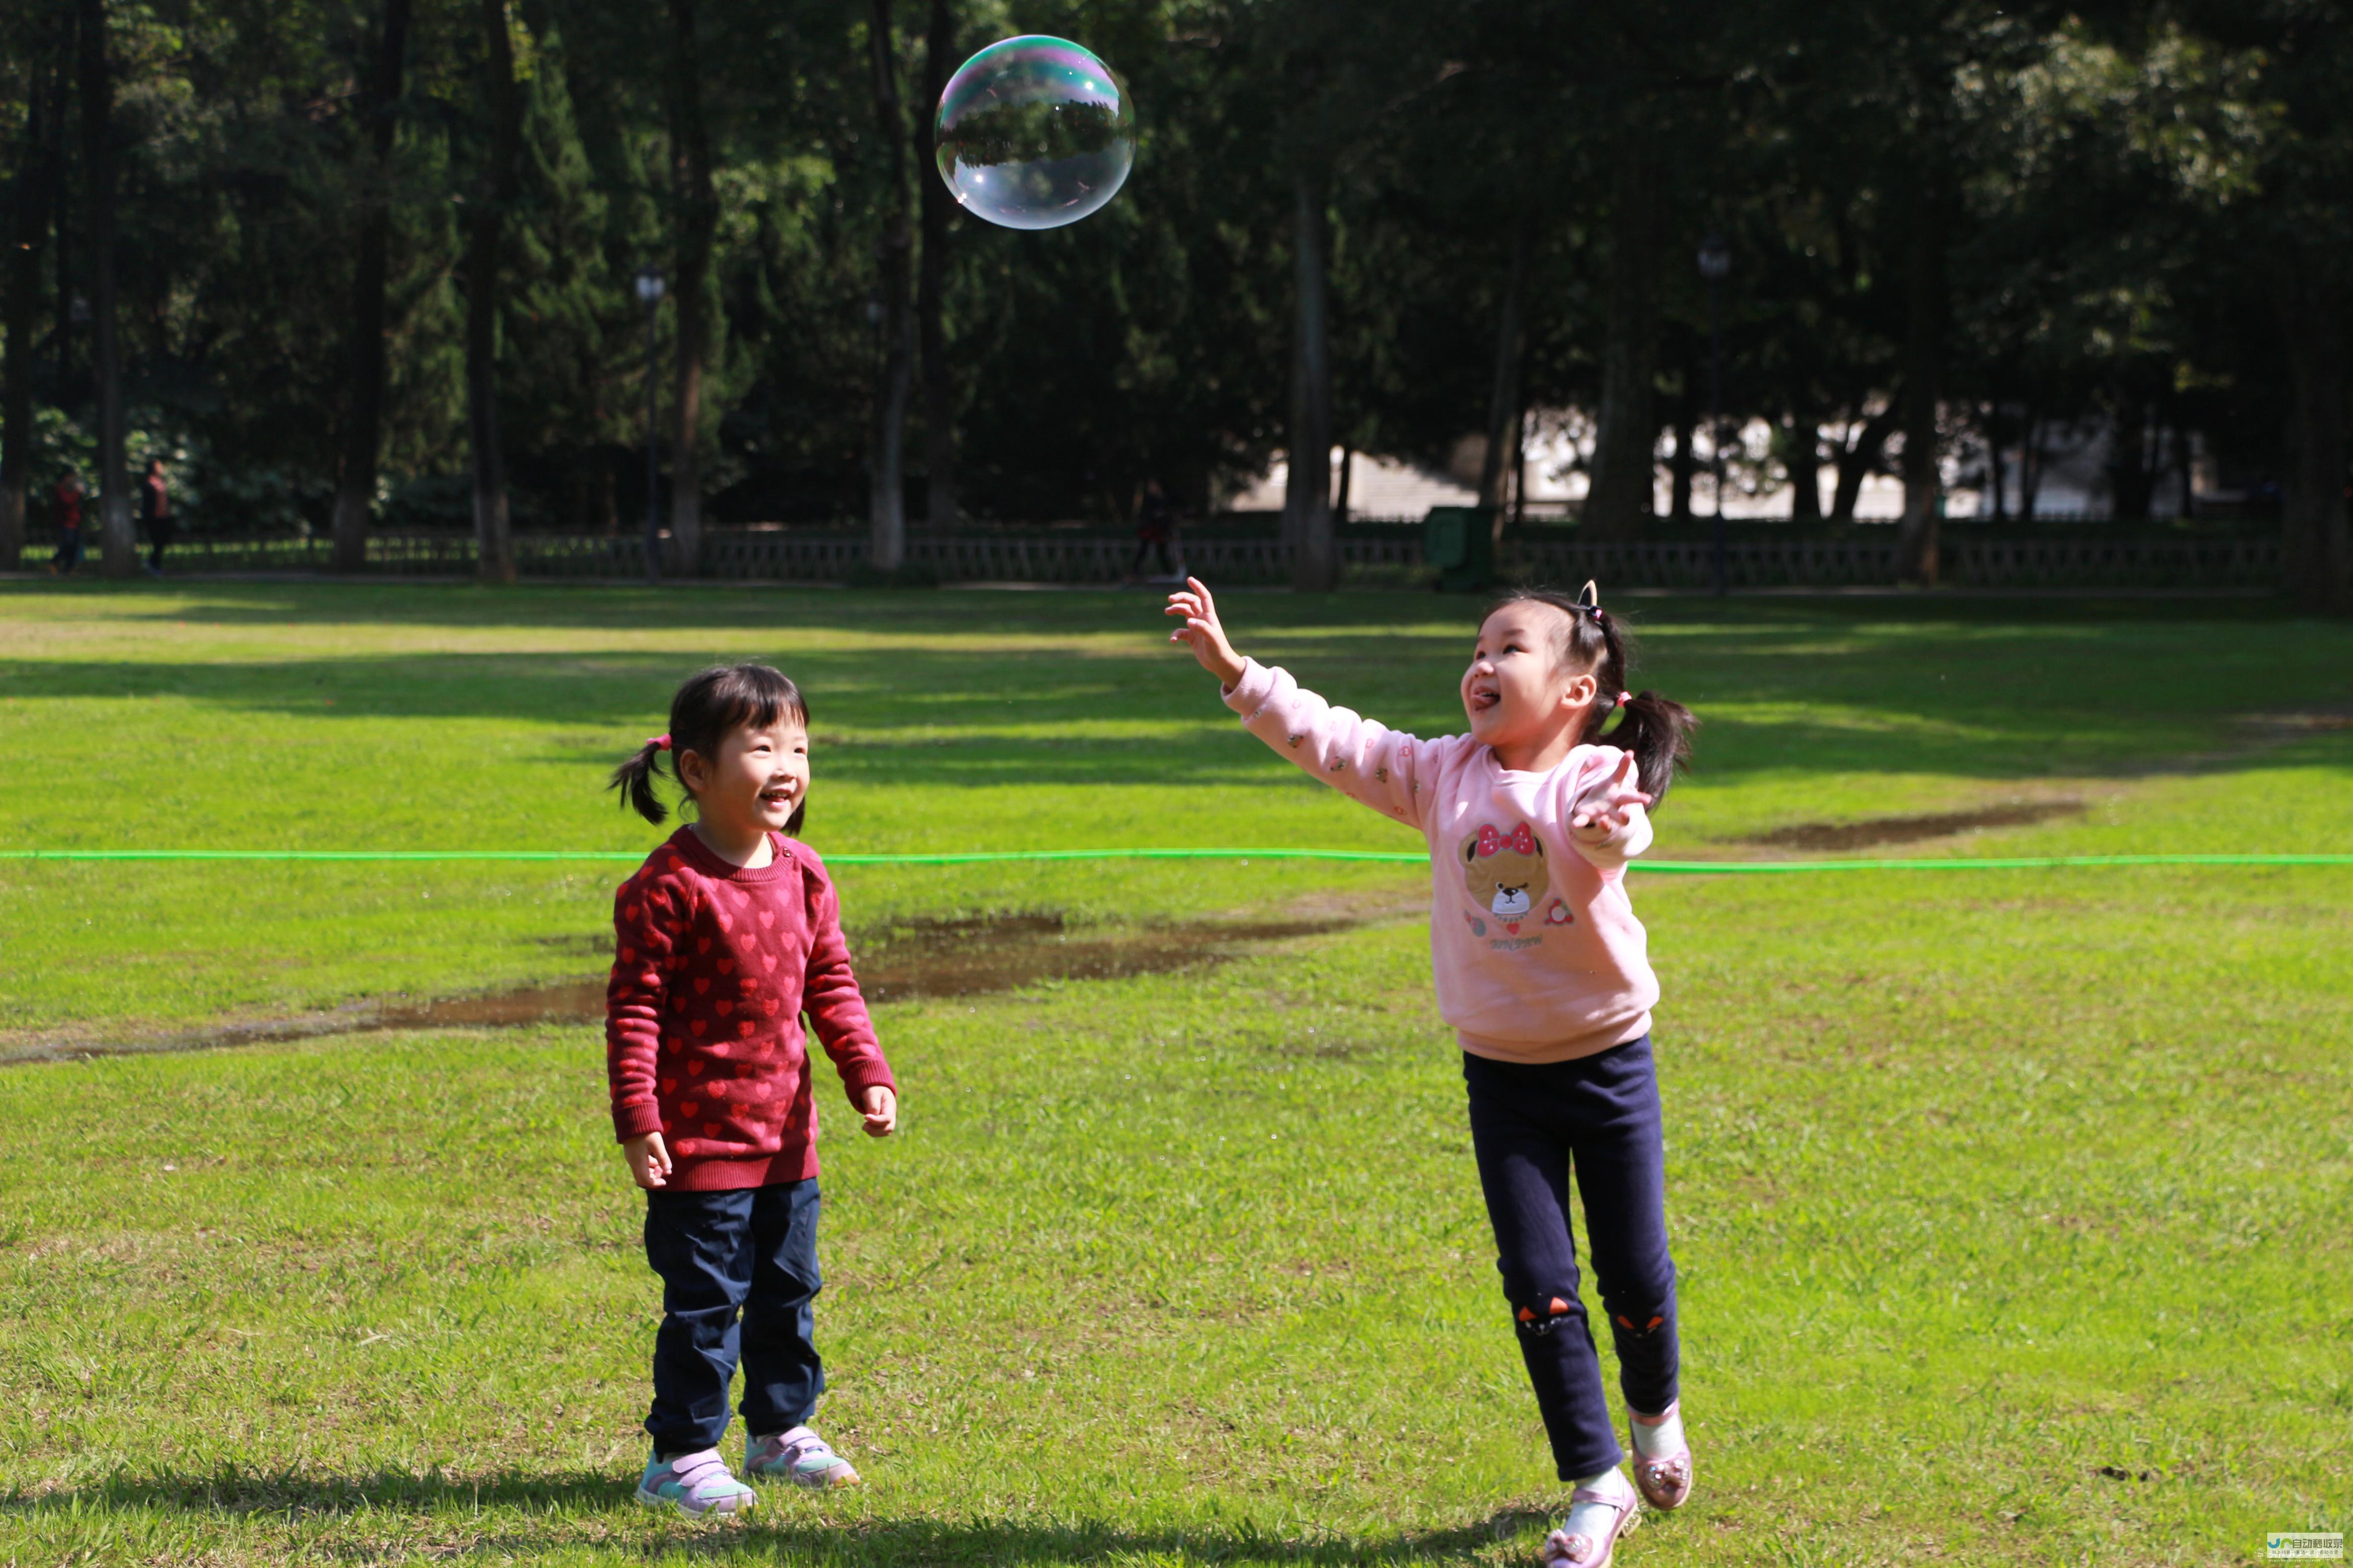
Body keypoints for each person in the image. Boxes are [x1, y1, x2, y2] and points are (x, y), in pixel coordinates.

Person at [1163, 577, 1697, 1568]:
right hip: (1501, 1078)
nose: (1482, 666)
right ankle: (1596, 1481)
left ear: (1577, 691)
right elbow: (1335, 739)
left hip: (1608, 1064)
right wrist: (1237, 674)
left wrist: (1613, 832)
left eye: (1510, 650)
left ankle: (1655, 1416)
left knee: (1633, 1271)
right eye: (1478, 648)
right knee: (1539, 1283)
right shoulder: (1441, 774)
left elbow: (1623, 824)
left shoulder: (1589, 776)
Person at [603, 663, 900, 1518]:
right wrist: (638, 1117)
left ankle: (779, 1431)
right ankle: (682, 1452)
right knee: (704, 1304)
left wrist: (866, 1071)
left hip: (785, 1141)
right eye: (761, 745)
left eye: (799, 746)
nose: (787, 765)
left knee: (786, 1292)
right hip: (698, 1148)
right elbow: (634, 1010)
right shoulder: (668, 885)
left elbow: (832, 982)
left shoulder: (804, 873)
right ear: (696, 769)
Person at [1126, 478, 1182, 583]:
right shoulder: (1149, 500)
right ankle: (1135, 571)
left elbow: (1170, 513)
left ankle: (1168, 572)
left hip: (1160, 530)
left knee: (1161, 550)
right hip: (1150, 529)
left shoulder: (1165, 499)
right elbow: (1146, 515)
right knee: (1143, 550)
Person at [140, 456, 175, 575]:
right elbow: (148, 503)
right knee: (158, 542)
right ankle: (153, 564)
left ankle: (154, 564)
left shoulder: (160, 482)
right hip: (153, 518)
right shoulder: (149, 483)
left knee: (163, 541)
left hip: (163, 517)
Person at [48, 471, 85, 574]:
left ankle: (68, 569)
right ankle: (55, 562)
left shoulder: (73, 491)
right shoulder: (61, 490)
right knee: (68, 544)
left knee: (75, 546)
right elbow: (67, 502)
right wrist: (77, 493)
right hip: (66, 522)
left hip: (75, 522)